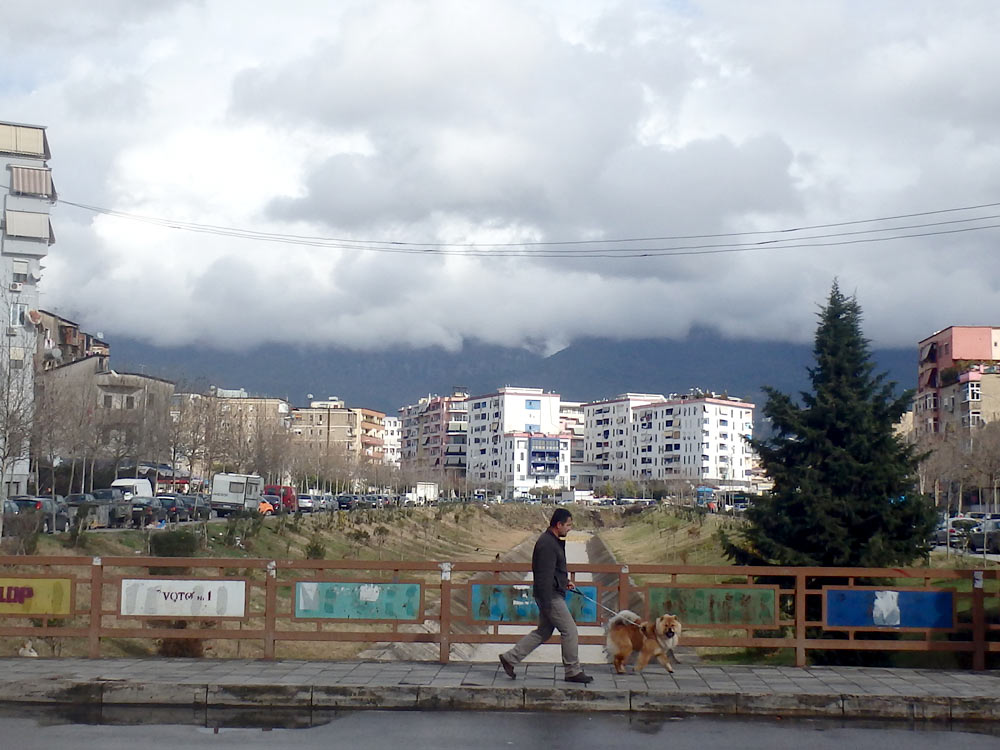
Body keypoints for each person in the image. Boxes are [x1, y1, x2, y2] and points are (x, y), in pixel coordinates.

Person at [498, 508, 593, 684]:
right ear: (559, 525)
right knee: (570, 630)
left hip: (550, 593)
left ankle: (510, 658)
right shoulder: (547, 544)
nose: (570, 528)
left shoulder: (551, 541)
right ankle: (572, 670)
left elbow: (552, 572)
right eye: (568, 525)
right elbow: (543, 575)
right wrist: (547, 602)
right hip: (550, 596)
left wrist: (563, 582)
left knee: (543, 631)